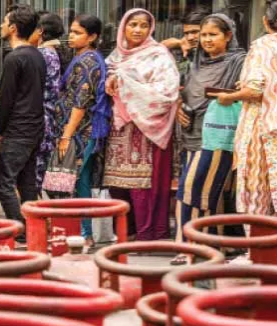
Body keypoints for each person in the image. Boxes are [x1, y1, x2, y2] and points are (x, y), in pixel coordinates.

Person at [213, 0, 277, 221]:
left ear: (265, 21)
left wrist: (229, 97)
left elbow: (255, 90)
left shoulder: (263, 47)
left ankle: (257, 241)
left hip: (264, 130)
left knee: (258, 195)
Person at [172, 14, 245, 263]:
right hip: (191, 134)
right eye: (203, 35)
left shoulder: (239, 61)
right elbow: (186, 92)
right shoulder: (196, 62)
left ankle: (190, 248)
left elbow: (246, 92)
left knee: (193, 189)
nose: (206, 40)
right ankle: (211, 247)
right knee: (204, 192)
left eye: (213, 34)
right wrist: (179, 107)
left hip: (218, 134)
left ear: (228, 36)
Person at [103, 9, 179, 241]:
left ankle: (148, 233)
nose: (137, 30)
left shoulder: (159, 55)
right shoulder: (115, 56)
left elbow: (167, 91)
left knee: (143, 185)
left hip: (147, 129)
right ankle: (126, 232)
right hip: (118, 130)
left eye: (143, 26)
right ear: (123, 27)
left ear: (150, 29)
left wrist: (125, 83)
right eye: (132, 24)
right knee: (118, 184)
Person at [56, 14, 111, 247]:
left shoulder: (88, 61)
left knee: (75, 181)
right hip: (79, 131)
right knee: (82, 182)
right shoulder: (81, 57)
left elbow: (81, 103)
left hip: (81, 132)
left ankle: (83, 233)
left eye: (77, 33)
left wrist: (66, 135)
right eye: (71, 31)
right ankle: (83, 234)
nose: (71, 36)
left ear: (92, 37)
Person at [0, 4, 45, 228]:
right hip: (34, 128)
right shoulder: (37, 55)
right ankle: (34, 228)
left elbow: (6, 99)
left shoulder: (14, 58)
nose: (1, 25)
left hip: (18, 129)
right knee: (26, 182)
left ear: (13, 28)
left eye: (4, 22)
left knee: (2, 183)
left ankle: (20, 228)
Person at [29, 11, 63, 195]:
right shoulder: (52, 53)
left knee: (32, 177)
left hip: (39, 121)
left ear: (40, 31)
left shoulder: (42, 54)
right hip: (47, 120)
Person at [162, 7, 208, 77]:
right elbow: (158, 47)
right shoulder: (185, 49)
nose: (190, 38)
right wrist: (179, 43)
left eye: (195, 32)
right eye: (186, 33)